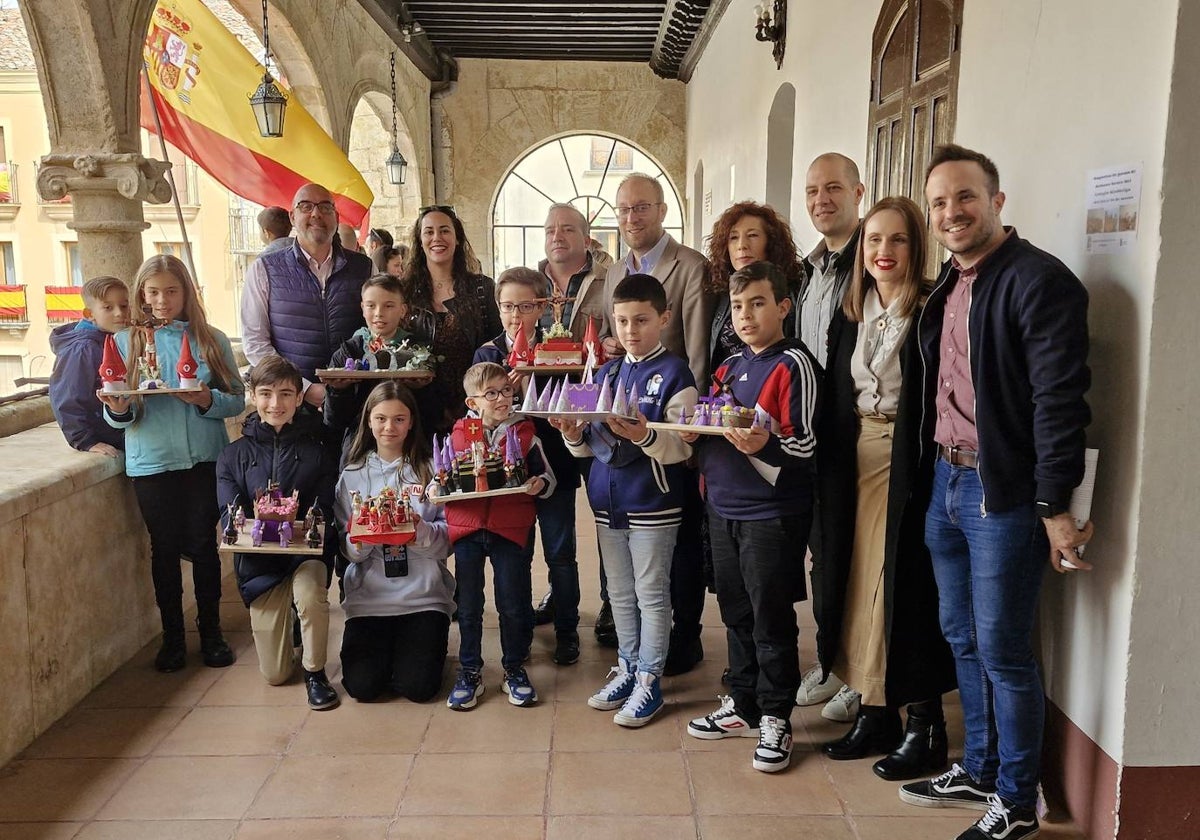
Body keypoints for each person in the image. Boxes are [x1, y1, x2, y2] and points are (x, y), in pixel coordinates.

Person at [898, 144, 1093, 840]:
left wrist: (1054, 506)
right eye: (941, 201)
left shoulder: (1040, 281)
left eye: (966, 197)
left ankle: (1015, 800)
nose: (952, 211)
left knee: (1005, 648)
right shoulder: (948, 286)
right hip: (946, 483)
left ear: (997, 201)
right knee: (961, 634)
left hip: (1002, 493)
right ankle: (979, 766)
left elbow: (1060, 404)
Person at [813, 196, 956, 780]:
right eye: (874, 240)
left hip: (906, 463)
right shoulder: (854, 310)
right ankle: (874, 711)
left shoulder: (931, 310)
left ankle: (926, 725)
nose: (883, 252)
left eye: (896, 240)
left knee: (899, 592)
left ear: (915, 246)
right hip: (852, 460)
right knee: (851, 584)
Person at [684, 261, 819, 773]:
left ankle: (776, 716)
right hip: (723, 506)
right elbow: (710, 419)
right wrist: (693, 432)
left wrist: (767, 443)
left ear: (783, 307)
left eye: (758, 303)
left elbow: (805, 444)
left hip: (771, 514)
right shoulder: (728, 365)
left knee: (770, 618)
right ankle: (742, 704)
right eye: (738, 306)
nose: (745, 315)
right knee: (736, 613)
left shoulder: (794, 364)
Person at [555, 273, 697, 727]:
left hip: (653, 501)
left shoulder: (676, 373)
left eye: (642, 320)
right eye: (622, 321)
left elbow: (682, 448)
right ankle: (630, 666)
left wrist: (646, 434)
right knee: (619, 593)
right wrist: (573, 435)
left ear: (664, 318)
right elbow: (589, 444)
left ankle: (651, 679)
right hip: (606, 501)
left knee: (651, 594)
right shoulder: (607, 371)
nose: (631, 330)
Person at [97, 255, 244, 672]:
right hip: (151, 462)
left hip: (204, 458)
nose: (162, 300)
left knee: (203, 545)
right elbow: (115, 411)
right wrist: (119, 408)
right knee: (163, 550)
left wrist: (207, 400)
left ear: (187, 293)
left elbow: (236, 397)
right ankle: (173, 638)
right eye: (154, 292)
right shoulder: (125, 343)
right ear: (142, 294)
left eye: (172, 291)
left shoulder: (211, 339)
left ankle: (211, 634)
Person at [599, 172, 714, 674]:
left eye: (641, 208)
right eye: (623, 210)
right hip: (624, 418)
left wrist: (684, 426)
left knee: (673, 551)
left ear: (662, 210)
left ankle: (678, 641)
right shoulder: (612, 271)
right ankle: (633, 657)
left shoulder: (690, 265)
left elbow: (699, 348)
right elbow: (610, 335)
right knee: (627, 573)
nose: (631, 218)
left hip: (670, 413)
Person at [216, 356, 340, 710]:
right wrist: (241, 526)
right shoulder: (232, 456)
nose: (276, 404)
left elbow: (325, 507)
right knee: (275, 674)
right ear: (253, 396)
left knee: (310, 593)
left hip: (304, 556)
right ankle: (292, 631)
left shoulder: (318, 451)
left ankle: (315, 673)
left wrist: (307, 528)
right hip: (259, 565)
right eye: (266, 393)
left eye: (286, 394)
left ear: (299, 398)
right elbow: (231, 515)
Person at [472, 267, 582, 666]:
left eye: (524, 305)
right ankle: (517, 631)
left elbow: (573, 401)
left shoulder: (560, 347)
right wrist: (506, 395)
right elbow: (479, 412)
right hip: (507, 474)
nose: (515, 314)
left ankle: (568, 631)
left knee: (560, 554)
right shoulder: (487, 354)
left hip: (556, 464)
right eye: (506, 306)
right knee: (516, 553)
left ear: (541, 307)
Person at [436, 362, 556, 710]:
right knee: (469, 605)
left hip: (510, 528)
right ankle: (470, 669)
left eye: (506, 390)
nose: (502, 398)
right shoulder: (457, 436)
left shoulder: (526, 434)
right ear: (473, 403)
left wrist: (539, 485)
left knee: (512, 603)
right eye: (492, 393)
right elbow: (443, 474)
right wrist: (433, 488)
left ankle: (514, 668)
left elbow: (548, 477)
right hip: (469, 528)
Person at [796, 152, 868, 723]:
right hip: (813, 432)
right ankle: (828, 659)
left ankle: (859, 675)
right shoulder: (808, 269)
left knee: (856, 558)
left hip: (858, 435)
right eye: (813, 190)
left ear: (858, 191)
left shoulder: (874, 259)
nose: (822, 199)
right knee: (824, 553)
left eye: (834, 188)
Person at [336, 382, 455, 703]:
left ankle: (416, 647)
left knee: (417, 688)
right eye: (381, 418)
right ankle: (388, 650)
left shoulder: (432, 471)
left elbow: (449, 541)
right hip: (369, 599)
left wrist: (419, 533)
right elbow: (345, 547)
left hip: (422, 595)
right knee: (362, 687)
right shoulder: (351, 476)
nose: (390, 427)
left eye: (399, 419)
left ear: (412, 421)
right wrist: (358, 543)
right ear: (369, 421)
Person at [529, 204, 605, 640]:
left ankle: (613, 603)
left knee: (607, 517)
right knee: (555, 520)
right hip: (545, 423)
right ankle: (559, 597)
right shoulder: (532, 284)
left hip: (593, 417)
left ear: (586, 236)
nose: (558, 236)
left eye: (568, 229)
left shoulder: (605, 281)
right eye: (551, 229)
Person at [241, 183, 373, 410]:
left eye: (325, 207)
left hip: (356, 403)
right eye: (306, 206)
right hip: (292, 406)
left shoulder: (364, 268)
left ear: (336, 216)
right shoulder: (265, 269)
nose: (316, 214)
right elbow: (255, 342)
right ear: (292, 217)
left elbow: (378, 330)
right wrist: (303, 388)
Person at [404, 205, 503, 435]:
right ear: (420, 241)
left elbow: (496, 347)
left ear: (457, 238)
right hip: (418, 408)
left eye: (445, 230)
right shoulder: (403, 292)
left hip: (473, 406)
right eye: (429, 232)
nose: (437, 237)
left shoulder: (482, 288)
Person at [703, 201, 805, 377]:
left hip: (776, 387)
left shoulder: (792, 291)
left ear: (770, 243)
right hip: (728, 394)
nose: (742, 245)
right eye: (733, 237)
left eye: (752, 235)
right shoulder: (721, 292)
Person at [324, 273, 427, 445]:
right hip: (359, 444)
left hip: (409, 444)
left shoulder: (418, 351)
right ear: (362, 308)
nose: (379, 313)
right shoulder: (348, 352)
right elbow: (333, 420)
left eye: (388, 306)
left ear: (403, 310)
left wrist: (422, 388)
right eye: (371, 306)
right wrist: (338, 390)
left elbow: (432, 413)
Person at [49, 275, 130, 457]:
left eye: (123, 306)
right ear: (89, 314)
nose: (119, 313)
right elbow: (68, 396)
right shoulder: (84, 348)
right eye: (108, 308)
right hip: (103, 434)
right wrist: (85, 440)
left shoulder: (110, 338)